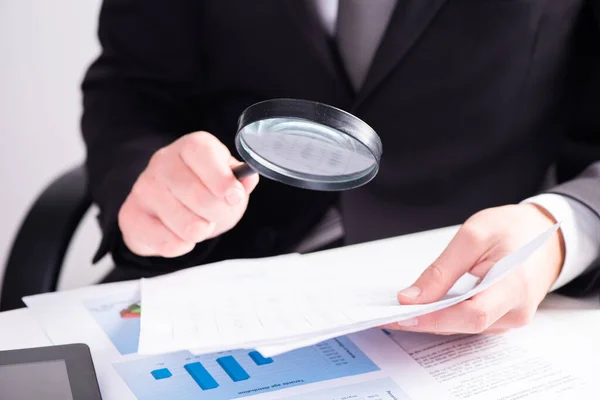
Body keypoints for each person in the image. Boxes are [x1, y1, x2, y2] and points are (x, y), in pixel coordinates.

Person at [82, 0, 600, 335]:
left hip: (467, 292)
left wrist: (561, 232)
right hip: (209, 279)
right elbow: (132, 90)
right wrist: (148, 190)